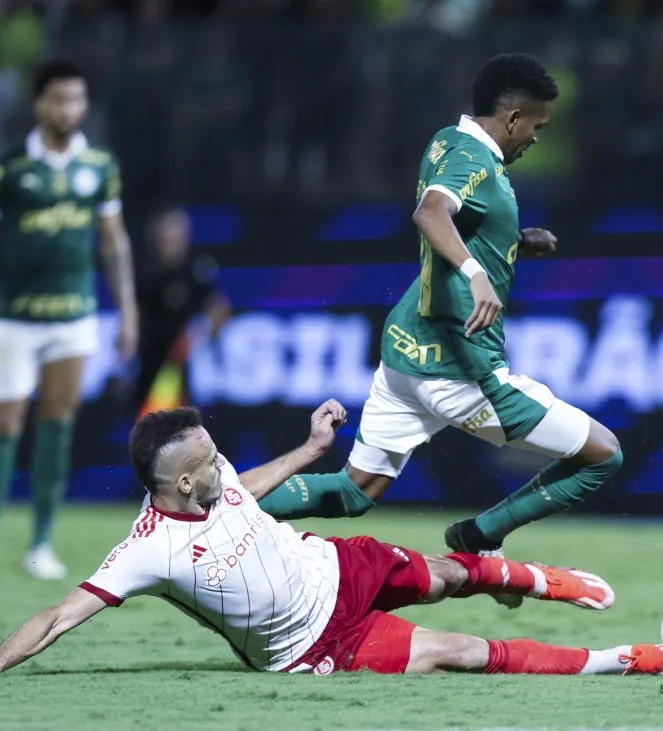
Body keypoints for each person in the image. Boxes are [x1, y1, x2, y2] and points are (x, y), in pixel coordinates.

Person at [0, 403, 663, 679]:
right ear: (181, 485)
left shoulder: (211, 470)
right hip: (317, 645)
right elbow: (60, 615)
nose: (220, 462)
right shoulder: (146, 551)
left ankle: (534, 577)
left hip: (333, 563)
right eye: (207, 461)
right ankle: (614, 662)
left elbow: (248, 484)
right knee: (455, 650)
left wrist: (308, 448)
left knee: (448, 573)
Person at [256, 53, 624, 600]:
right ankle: (480, 534)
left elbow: (462, 218)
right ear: (515, 116)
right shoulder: (475, 159)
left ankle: (220, 505)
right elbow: (431, 213)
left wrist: (513, 242)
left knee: (354, 492)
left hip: (407, 350)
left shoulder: (446, 140)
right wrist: (478, 273)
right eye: (539, 127)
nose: (538, 140)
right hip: (462, 369)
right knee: (602, 454)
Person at [0, 59, 138, 581]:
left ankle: (40, 544)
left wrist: (127, 312)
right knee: (4, 424)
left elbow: (114, 243)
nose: (68, 109)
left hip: (73, 318)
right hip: (14, 319)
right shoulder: (9, 168)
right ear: (39, 104)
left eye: (76, 100)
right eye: (58, 99)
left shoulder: (100, 166)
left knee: (57, 426)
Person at [134, 208, 230, 416]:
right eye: (163, 239)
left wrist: (198, 334)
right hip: (151, 359)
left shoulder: (197, 269)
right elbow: (136, 316)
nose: (169, 244)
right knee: (150, 423)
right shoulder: (145, 272)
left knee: (185, 424)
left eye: (175, 237)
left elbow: (218, 308)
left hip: (188, 362)